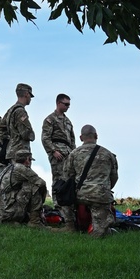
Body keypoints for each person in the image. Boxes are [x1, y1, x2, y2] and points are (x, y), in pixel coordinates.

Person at [67, 125, 118, 236]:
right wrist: (105, 188)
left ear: (81, 138)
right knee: (101, 232)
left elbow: (68, 176)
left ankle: (74, 226)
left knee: (83, 225)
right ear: (96, 136)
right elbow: (114, 177)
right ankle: (100, 227)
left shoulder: (73, 154)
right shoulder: (108, 154)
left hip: (80, 195)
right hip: (101, 195)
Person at [41, 93, 76, 225]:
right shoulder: (50, 119)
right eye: (66, 104)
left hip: (68, 152)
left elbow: (72, 140)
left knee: (69, 179)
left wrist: (74, 154)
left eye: (69, 105)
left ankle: (68, 205)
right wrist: (53, 151)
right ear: (58, 103)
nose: (68, 107)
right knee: (58, 179)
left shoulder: (68, 121)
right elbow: (45, 138)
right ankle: (58, 205)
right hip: (57, 152)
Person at [0, 148, 48, 227]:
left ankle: (18, 220)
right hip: (8, 212)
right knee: (34, 186)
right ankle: (35, 222)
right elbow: (41, 183)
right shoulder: (20, 168)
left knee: (28, 184)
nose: (30, 163)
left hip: (1, 212)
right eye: (30, 160)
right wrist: (42, 200)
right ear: (27, 160)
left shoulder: (11, 167)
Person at [0, 83, 35, 163]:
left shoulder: (10, 110)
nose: (30, 98)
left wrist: (9, 140)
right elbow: (26, 134)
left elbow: (0, 129)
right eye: (30, 96)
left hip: (11, 152)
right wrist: (32, 134)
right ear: (26, 94)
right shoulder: (20, 111)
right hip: (21, 153)